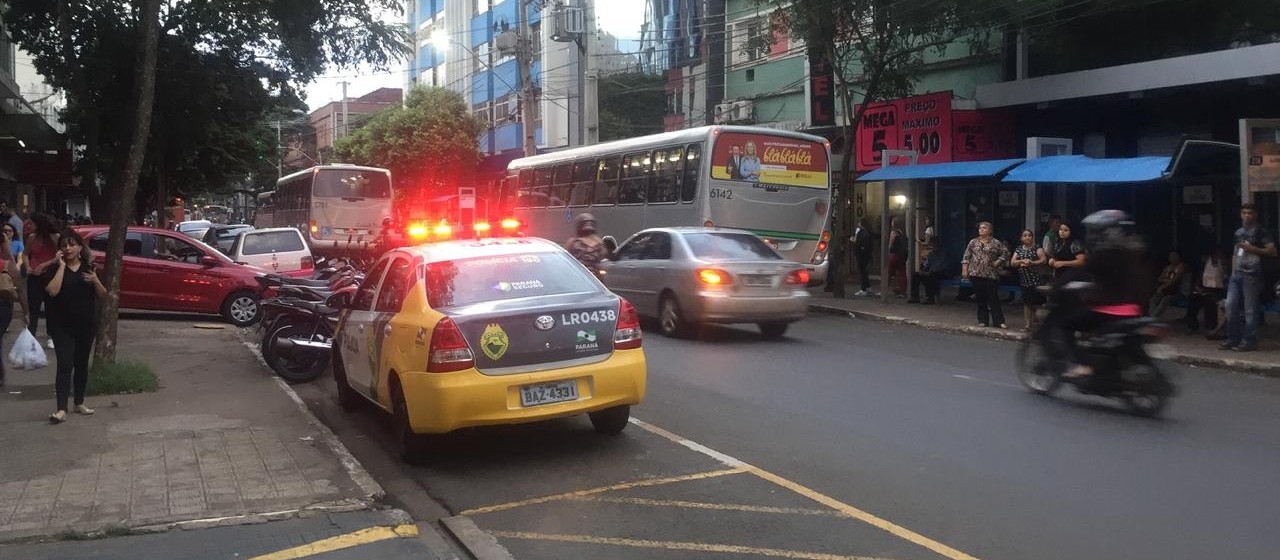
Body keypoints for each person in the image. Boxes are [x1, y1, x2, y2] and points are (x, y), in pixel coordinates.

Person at [1042, 210, 1147, 378]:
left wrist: (1054, 286)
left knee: (1066, 325)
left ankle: (1084, 364)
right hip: (1133, 308)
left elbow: (1081, 270)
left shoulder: (1106, 253)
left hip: (1108, 308)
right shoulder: (1133, 252)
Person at [45, 229, 108, 423]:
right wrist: (61, 267)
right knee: (65, 365)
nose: (68, 248)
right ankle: (61, 408)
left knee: (81, 365)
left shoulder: (89, 269)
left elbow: (103, 296)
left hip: (85, 325)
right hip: (62, 327)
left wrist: (96, 280)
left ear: (80, 247)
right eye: (64, 245)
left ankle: (79, 401)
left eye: (72, 244)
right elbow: (52, 291)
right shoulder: (54, 269)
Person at [1221, 203, 1277, 352]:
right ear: (1241, 214)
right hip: (1237, 273)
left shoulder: (1261, 231)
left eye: (1250, 213)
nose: (1247, 215)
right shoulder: (1238, 232)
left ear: (1255, 215)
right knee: (1230, 306)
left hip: (1252, 273)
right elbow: (1235, 252)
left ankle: (1250, 340)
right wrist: (1233, 271)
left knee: (1250, 310)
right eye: (1244, 213)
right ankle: (1233, 338)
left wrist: (1253, 249)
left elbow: (1272, 251)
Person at [962, 222, 1011, 328]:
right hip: (976, 273)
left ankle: (999, 321)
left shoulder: (995, 243)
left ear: (990, 230)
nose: (981, 230)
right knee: (980, 298)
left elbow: (1006, 253)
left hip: (991, 274)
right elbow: (966, 256)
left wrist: (998, 262)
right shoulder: (973, 242)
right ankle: (982, 320)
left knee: (993, 297)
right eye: (980, 228)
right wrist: (965, 269)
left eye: (984, 228)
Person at [25, 213, 61, 344]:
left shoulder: (55, 237)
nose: (29, 226)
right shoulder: (31, 238)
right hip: (34, 276)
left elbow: (59, 257)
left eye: (32, 224)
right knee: (33, 308)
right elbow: (25, 254)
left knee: (51, 307)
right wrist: (28, 266)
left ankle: (51, 335)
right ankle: (31, 335)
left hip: (49, 275)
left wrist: (44, 264)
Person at [0, 229, 27, 387]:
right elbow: (20, 289)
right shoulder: (7, 264)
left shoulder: (6, 264)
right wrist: (26, 312)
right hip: (4, 306)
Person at [1010, 229, 1049, 331]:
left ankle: (1038, 321)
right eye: (1025, 235)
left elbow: (1043, 260)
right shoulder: (1019, 249)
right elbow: (1013, 262)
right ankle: (1028, 325)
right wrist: (1022, 261)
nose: (1027, 237)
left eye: (1029, 235)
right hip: (1024, 280)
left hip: (1036, 280)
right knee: (1027, 303)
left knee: (1036, 302)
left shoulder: (1037, 247)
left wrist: (1032, 263)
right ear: (1021, 238)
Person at [1184, 248, 1226, 335]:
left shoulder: (1224, 264)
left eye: (1219, 255)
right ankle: (1192, 326)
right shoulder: (1205, 265)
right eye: (1215, 255)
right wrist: (1198, 288)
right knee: (1193, 299)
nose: (1216, 257)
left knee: (1210, 301)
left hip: (1219, 291)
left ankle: (1211, 327)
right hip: (1204, 289)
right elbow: (1199, 279)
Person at [1148, 250, 1189, 319]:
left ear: (1179, 257)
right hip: (1167, 291)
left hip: (1179, 292)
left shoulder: (1182, 266)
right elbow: (1160, 278)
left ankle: (1152, 318)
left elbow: (1175, 280)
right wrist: (1167, 281)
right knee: (1153, 300)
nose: (1173, 258)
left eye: (1175, 256)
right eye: (1171, 256)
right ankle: (1153, 316)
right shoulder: (1167, 268)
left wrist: (1163, 286)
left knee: (1165, 300)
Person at [909, 234, 945, 304]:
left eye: (934, 244)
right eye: (931, 245)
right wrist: (922, 270)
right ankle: (915, 296)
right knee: (916, 275)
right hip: (930, 271)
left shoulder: (943, 253)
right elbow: (926, 264)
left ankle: (930, 298)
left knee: (931, 276)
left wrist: (929, 271)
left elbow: (941, 266)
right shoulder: (930, 254)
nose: (933, 247)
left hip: (941, 272)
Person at [850, 218, 875, 297]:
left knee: (862, 272)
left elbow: (859, 243)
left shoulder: (862, 233)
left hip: (861, 255)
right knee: (864, 272)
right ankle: (867, 287)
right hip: (866, 255)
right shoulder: (868, 232)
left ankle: (863, 288)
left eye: (859, 223)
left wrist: (855, 239)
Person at [887, 216, 908, 298]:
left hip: (894, 255)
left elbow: (890, 245)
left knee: (888, 273)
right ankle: (902, 291)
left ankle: (884, 289)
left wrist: (889, 252)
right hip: (902, 255)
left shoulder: (893, 233)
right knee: (902, 273)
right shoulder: (902, 232)